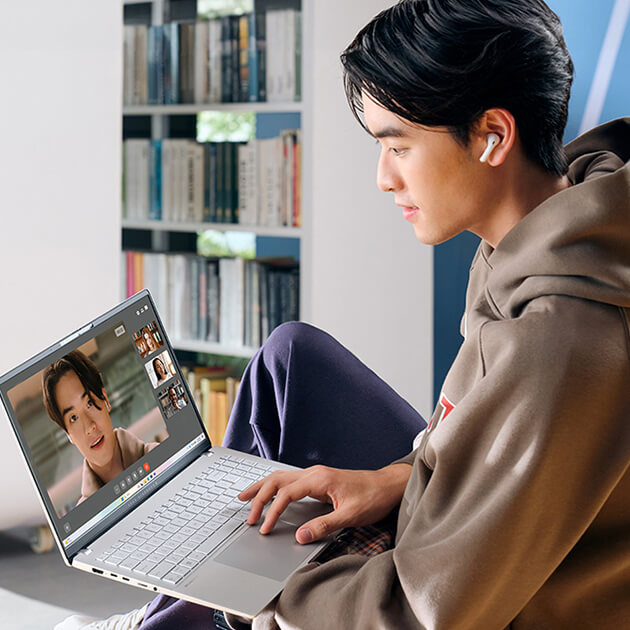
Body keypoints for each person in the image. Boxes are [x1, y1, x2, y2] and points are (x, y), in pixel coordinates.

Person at [58, 0, 629, 628]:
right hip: (453, 521)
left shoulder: (561, 337)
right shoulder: (557, 215)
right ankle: (180, 605)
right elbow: (478, 433)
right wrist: (394, 477)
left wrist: (269, 586)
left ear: (493, 135)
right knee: (290, 354)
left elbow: (421, 615)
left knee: (256, 560)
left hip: (468, 600)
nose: (383, 178)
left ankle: (184, 611)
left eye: (399, 147)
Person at [43, 350, 159, 503]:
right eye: (74, 418)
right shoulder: (84, 514)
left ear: (105, 400)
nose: (89, 427)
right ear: (68, 434)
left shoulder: (158, 457)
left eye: (89, 403)